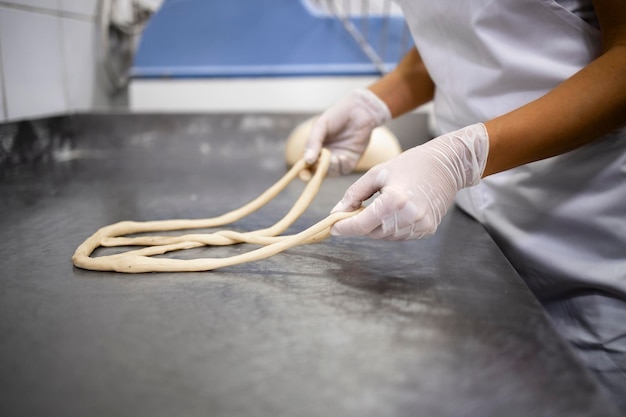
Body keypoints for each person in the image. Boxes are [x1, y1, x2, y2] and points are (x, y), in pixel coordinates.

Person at [303, 0, 626, 410]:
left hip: (585, 237)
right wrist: (377, 101)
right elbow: (464, 28)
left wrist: (463, 157)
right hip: (480, 248)